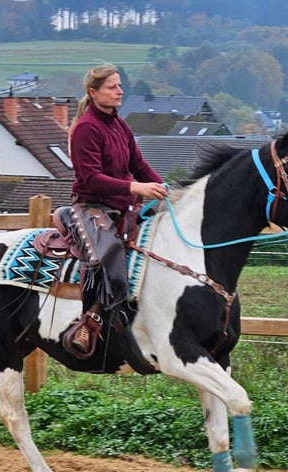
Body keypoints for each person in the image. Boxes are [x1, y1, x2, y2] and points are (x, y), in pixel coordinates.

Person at [62, 65, 168, 357]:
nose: (119, 91)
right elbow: (90, 178)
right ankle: (89, 320)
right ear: (93, 93)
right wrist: (135, 188)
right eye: (111, 86)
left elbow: (139, 166)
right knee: (108, 252)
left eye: (120, 86)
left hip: (123, 206)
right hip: (91, 207)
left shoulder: (120, 126)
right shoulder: (86, 128)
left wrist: (164, 187)